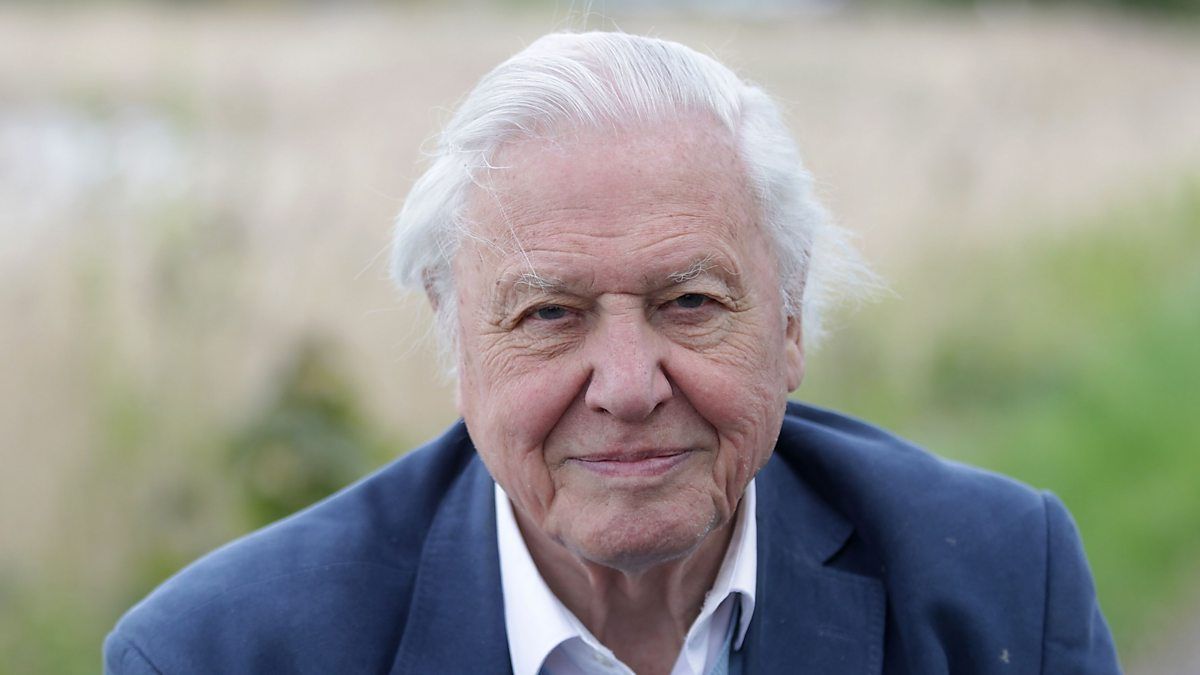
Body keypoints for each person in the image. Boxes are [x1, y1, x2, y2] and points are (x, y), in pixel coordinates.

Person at [104, 32, 1121, 674]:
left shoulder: (999, 585)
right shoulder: (219, 653)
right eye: (550, 314)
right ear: (457, 342)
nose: (629, 389)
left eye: (691, 302)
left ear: (790, 321)